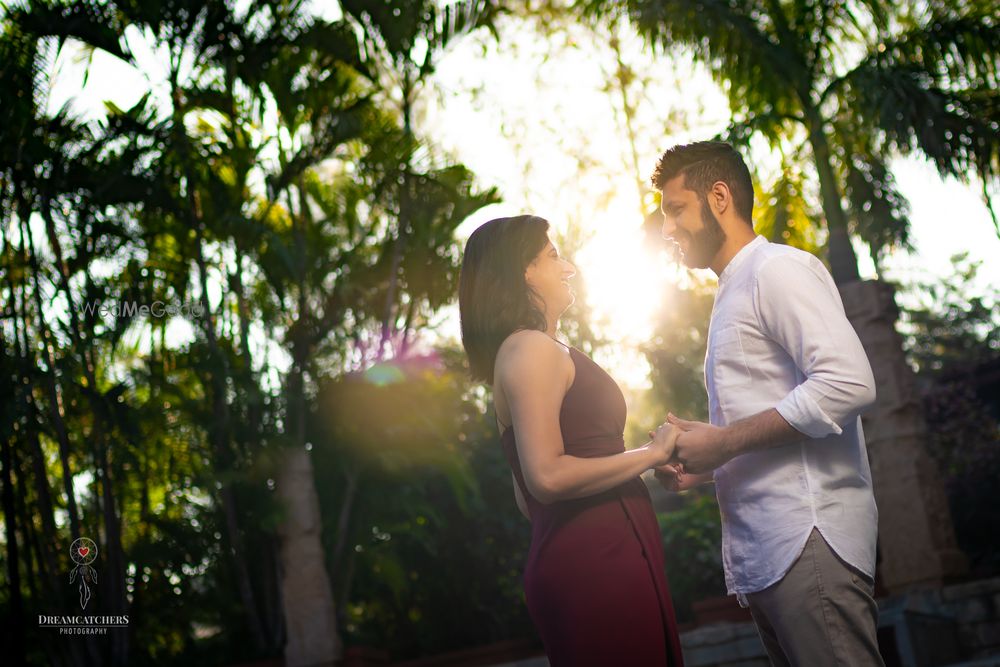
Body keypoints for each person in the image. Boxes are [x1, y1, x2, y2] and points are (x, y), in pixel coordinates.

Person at [652, 140, 885, 666]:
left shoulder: (776, 270)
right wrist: (705, 459)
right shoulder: (732, 290)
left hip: (808, 542)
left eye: (675, 209)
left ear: (718, 197)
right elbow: (769, 417)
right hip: (771, 559)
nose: (667, 229)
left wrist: (726, 441)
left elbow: (848, 384)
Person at [459, 215, 685, 667]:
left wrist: (627, 471)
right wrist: (647, 454)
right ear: (523, 271)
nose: (569, 268)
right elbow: (544, 477)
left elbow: (526, 500)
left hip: (606, 556)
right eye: (553, 256)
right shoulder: (529, 349)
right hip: (594, 567)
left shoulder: (537, 349)